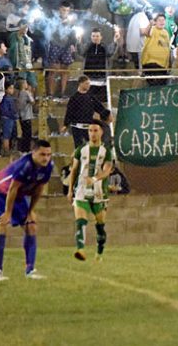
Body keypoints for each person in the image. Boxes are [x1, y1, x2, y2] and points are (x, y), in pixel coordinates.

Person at [0, 139, 53, 281]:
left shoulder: (48, 167)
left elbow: (39, 189)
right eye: (42, 154)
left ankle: (30, 270)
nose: (46, 158)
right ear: (33, 153)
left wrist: (30, 211)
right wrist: (8, 213)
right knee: (2, 225)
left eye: (48, 154)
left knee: (31, 226)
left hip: (17, 194)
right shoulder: (24, 165)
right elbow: (12, 188)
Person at [66, 120, 114, 261]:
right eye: (90, 131)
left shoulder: (106, 152)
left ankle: (99, 251)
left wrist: (93, 179)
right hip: (81, 190)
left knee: (100, 225)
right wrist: (70, 190)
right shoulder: (81, 150)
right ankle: (80, 250)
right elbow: (74, 170)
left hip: (99, 193)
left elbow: (106, 171)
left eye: (95, 130)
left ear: (101, 132)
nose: (93, 133)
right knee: (80, 221)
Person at [62, 75, 112, 149]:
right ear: (80, 84)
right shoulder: (74, 98)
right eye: (86, 83)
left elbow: (99, 107)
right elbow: (69, 112)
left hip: (89, 128)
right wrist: (66, 124)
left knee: (92, 148)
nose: (88, 85)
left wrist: (107, 115)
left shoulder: (91, 97)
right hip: (77, 128)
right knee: (79, 149)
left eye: (89, 83)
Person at [141, 13, 172, 86]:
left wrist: (169, 64)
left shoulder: (166, 33)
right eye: (159, 20)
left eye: (163, 20)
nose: (162, 22)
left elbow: (167, 49)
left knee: (161, 86)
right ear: (155, 22)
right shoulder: (153, 29)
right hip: (151, 63)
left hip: (163, 65)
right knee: (153, 85)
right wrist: (150, 24)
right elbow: (146, 33)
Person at [0, 82, 18, 156]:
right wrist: (13, 115)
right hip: (7, 119)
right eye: (10, 88)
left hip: (11, 119)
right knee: (6, 136)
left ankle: (10, 150)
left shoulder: (11, 98)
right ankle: (6, 151)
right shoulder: (5, 99)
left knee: (11, 135)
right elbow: (5, 111)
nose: (12, 90)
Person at [17, 78, 35, 152]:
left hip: (22, 116)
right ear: (23, 85)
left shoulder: (20, 93)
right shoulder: (25, 93)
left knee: (25, 133)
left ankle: (24, 149)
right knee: (27, 134)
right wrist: (30, 93)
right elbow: (32, 101)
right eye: (26, 83)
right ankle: (26, 149)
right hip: (26, 116)